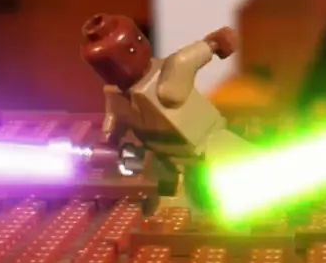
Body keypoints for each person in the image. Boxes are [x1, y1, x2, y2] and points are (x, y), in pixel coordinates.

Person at [80, 15, 245, 211]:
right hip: (166, 157)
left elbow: (190, 57)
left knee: (235, 175)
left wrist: (214, 44)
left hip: (209, 144)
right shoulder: (116, 94)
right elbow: (113, 120)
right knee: (177, 195)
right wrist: (107, 141)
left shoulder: (171, 71)